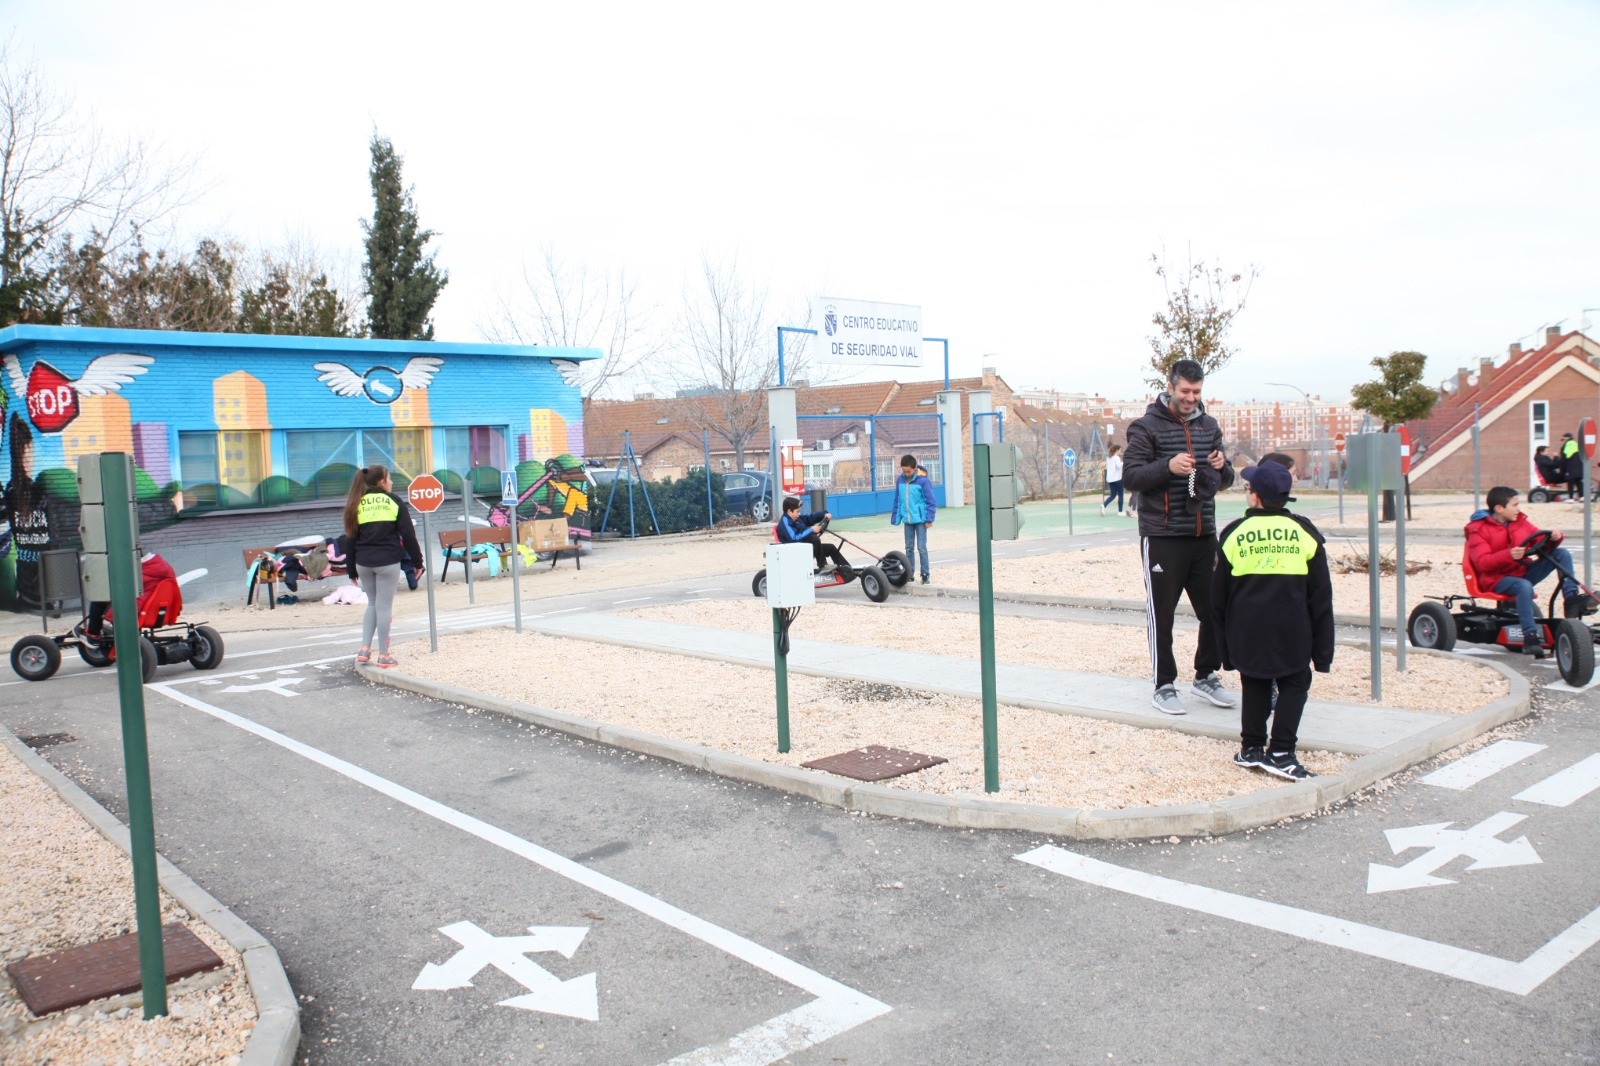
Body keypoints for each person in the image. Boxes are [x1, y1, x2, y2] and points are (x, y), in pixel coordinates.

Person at [1122, 359, 1237, 715]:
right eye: (1185, 391)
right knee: (1163, 614)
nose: (1190, 398)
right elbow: (1131, 477)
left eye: (1197, 392)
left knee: (1216, 609)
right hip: (1162, 536)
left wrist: (1222, 468)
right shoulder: (1145, 427)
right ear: (1170, 387)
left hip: (1203, 533)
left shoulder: (1209, 426)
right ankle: (1164, 684)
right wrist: (1167, 466)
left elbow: (1227, 480)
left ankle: (1206, 675)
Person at [1211, 461, 1334, 781]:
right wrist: (1322, 654)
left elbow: (1218, 598)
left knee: (1254, 681)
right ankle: (1280, 752)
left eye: (1248, 488)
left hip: (1245, 629)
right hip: (1292, 629)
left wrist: (1224, 650)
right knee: (1295, 682)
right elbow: (1321, 598)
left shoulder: (1234, 533)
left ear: (1256, 497)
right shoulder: (1305, 533)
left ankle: (1251, 748)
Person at [1466, 486, 1597, 655]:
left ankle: (1571, 600)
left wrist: (1553, 538)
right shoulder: (1478, 529)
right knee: (1523, 586)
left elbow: (1538, 540)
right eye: (1514, 505)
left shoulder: (1520, 522)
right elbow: (1482, 563)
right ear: (1499, 508)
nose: (1518, 509)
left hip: (1521, 572)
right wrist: (1509, 555)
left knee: (1561, 554)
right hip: (1495, 580)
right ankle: (1530, 637)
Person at [344, 465, 425, 668]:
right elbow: (408, 535)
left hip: (363, 562)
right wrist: (417, 562)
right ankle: (384, 655)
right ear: (381, 481)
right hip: (388, 562)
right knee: (384, 606)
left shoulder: (357, 503)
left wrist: (351, 569)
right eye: (389, 478)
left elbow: (350, 539)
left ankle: (364, 650)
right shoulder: (394, 501)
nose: (391, 482)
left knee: (372, 603)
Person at [891, 454, 936, 584]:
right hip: (908, 521)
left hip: (921, 521)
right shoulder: (900, 480)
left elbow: (930, 501)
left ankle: (925, 574)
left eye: (909, 471)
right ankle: (909, 573)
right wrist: (896, 517)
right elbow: (898, 499)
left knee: (922, 547)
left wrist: (929, 519)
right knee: (908, 547)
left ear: (915, 468)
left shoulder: (923, 481)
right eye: (904, 471)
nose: (906, 474)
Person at [777, 496, 847, 574]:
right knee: (814, 539)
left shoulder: (796, 519)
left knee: (831, 547)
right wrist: (811, 530)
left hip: (804, 548)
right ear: (790, 511)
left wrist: (824, 514)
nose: (799, 514)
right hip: (795, 551)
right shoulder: (785, 521)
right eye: (797, 511)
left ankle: (846, 569)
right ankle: (822, 566)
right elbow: (794, 538)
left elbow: (810, 518)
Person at [1100, 444, 1125, 516]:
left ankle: (1104, 505)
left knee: (1113, 495)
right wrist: (1124, 462)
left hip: (1110, 479)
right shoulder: (1116, 457)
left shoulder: (1109, 458)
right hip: (1117, 478)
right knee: (1121, 494)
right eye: (1120, 450)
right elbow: (1118, 466)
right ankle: (1120, 511)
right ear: (1117, 450)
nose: (1120, 452)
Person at [1560, 433, 1584, 501]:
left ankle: (1570, 498)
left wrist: (1562, 470)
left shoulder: (1565, 447)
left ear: (1567, 439)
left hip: (1570, 468)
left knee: (1570, 484)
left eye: (1563, 440)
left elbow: (1563, 459)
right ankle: (1582, 497)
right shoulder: (1578, 445)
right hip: (1579, 467)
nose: (1563, 442)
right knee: (1579, 482)